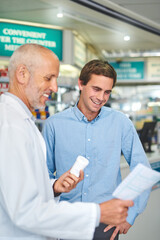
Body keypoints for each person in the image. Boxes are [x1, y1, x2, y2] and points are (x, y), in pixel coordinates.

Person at [0, 44, 133, 240]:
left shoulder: (21, 121)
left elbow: (20, 187)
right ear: (22, 74)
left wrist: (53, 186)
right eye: (48, 78)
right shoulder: (11, 126)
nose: (54, 87)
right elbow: (24, 211)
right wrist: (98, 213)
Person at [43, 59, 151, 240]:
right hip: (67, 219)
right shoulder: (54, 124)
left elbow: (143, 170)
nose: (101, 97)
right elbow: (43, 174)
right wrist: (55, 188)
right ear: (81, 84)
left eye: (107, 92)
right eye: (96, 89)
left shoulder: (121, 123)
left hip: (105, 223)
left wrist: (130, 216)